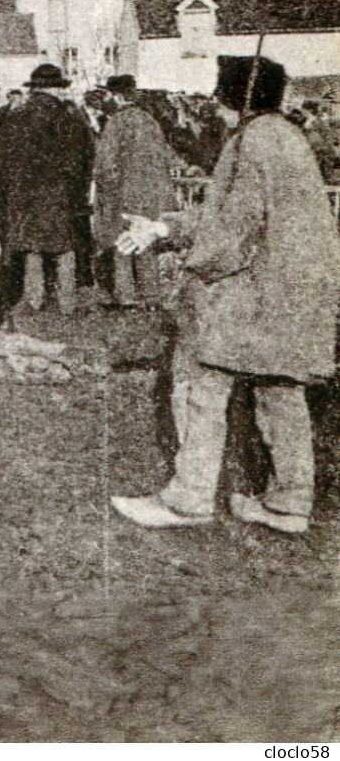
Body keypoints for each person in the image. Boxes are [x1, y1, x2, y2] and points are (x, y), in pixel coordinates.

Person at [111, 55, 340, 534]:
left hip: (251, 294)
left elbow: (231, 231)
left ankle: (187, 500)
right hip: (299, 296)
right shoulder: (290, 137)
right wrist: (166, 226)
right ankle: (288, 505)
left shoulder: (248, 142)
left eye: (219, 98)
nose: (214, 109)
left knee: (200, 381)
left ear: (233, 98)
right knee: (282, 390)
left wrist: (168, 238)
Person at [0, 63, 94, 317]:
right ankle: (67, 302)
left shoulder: (15, 115)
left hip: (22, 192)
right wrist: (77, 190)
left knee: (31, 247)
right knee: (64, 247)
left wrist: (4, 190)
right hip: (58, 192)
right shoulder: (68, 116)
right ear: (55, 89)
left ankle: (33, 299)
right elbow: (83, 156)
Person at [92, 74, 174, 308]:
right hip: (151, 195)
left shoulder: (116, 123)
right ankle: (151, 295)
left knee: (123, 244)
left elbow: (106, 166)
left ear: (117, 96)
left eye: (108, 94)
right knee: (146, 241)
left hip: (124, 194)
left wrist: (104, 193)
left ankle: (126, 295)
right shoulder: (150, 120)